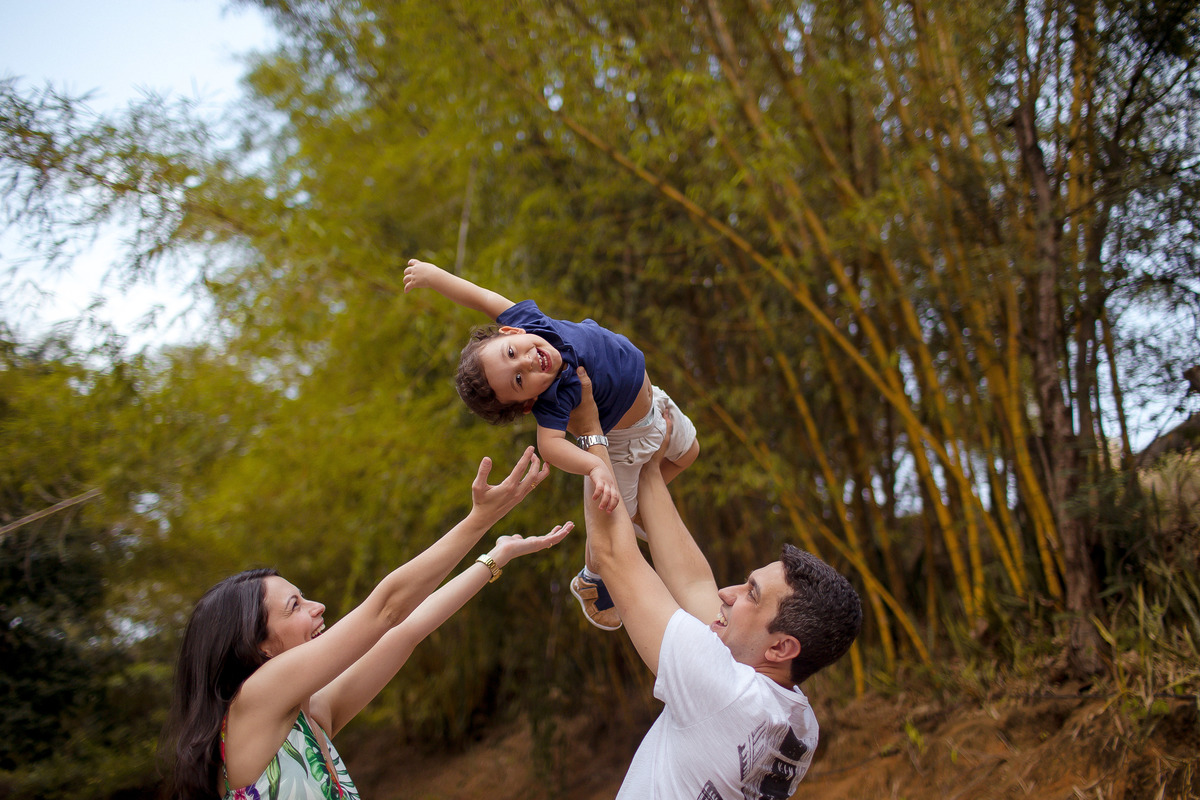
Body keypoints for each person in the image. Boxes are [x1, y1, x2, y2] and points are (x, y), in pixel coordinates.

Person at [162, 448, 571, 800]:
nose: (318, 606)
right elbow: (386, 609)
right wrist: (478, 520)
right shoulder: (251, 706)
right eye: (295, 605)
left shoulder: (313, 719)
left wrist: (496, 558)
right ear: (257, 648)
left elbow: (406, 629)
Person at [567, 367, 862, 799]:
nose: (728, 593)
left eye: (750, 594)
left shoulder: (724, 693)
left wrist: (590, 430)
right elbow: (692, 584)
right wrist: (649, 465)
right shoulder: (794, 719)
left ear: (781, 647)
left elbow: (613, 554)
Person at [403, 258, 699, 632]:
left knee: (690, 453)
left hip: (654, 404)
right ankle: (592, 579)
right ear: (527, 402)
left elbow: (482, 296)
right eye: (519, 380)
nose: (527, 361)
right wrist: (594, 466)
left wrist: (434, 276)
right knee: (613, 523)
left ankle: (641, 513)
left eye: (513, 353)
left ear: (510, 331)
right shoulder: (556, 398)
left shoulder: (532, 323)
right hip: (624, 443)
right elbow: (550, 446)